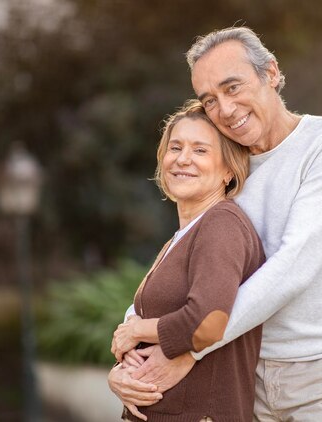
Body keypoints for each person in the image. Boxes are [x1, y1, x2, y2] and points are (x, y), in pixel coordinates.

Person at [111, 26, 322, 421]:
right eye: (210, 100)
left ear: (270, 73)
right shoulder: (230, 168)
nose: (226, 109)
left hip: (321, 371)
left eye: (233, 88)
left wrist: (190, 347)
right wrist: (125, 358)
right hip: (244, 373)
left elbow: (294, 267)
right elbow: (186, 262)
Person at [108, 100, 265, 421]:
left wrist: (138, 329)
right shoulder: (179, 238)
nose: (182, 159)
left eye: (200, 151)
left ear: (228, 170)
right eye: (175, 147)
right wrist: (120, 374)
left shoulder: (221, 224)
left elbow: (207, 321)